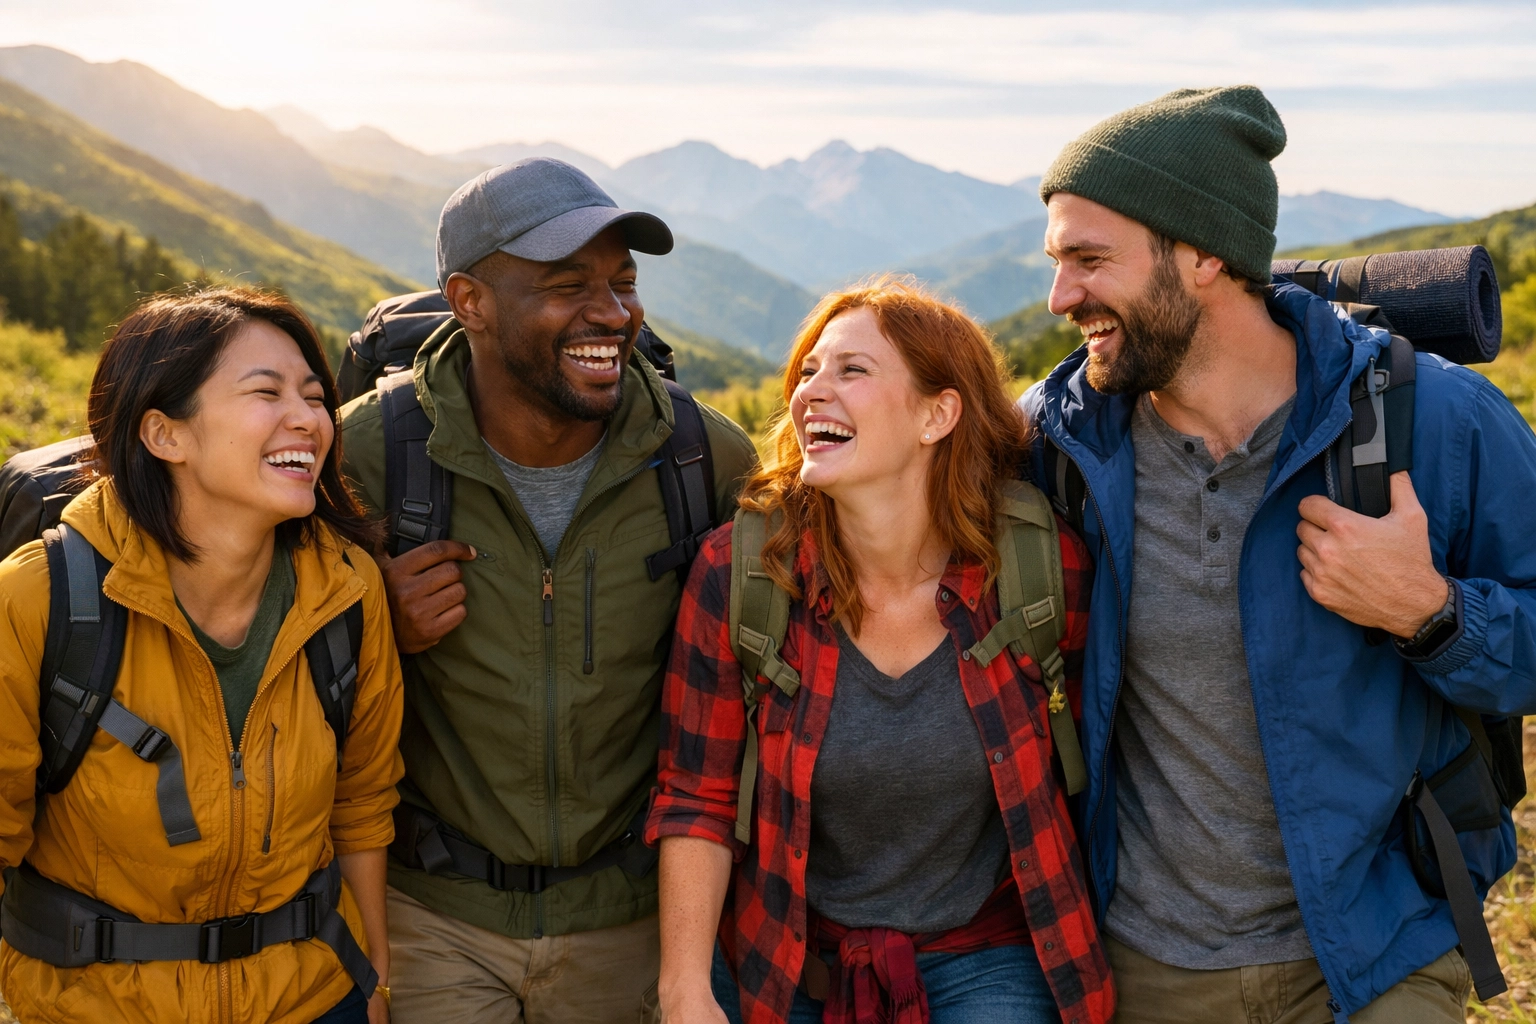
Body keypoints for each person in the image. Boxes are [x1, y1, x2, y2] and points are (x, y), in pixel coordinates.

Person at [1021, 85, 1536, 1023]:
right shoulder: (1059, 445)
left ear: (1206, 252)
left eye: (1091, 261)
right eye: (1057, 262)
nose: (1061, 298)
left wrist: (1434, 615)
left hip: (1378, 951)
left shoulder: (1438, 421)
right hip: (1141, 967)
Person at [337, 158, 757, 1022]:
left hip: (633, 927)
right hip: (435, 920)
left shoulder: (701, 459)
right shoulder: (367, 457)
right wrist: (372, 626)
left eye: (623, 282)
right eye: (569, 286)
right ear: (470, 301)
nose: (613, 313)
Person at [650, 279, 1116, 1024]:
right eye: (807, 371)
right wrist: (684, 992)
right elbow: (694, 796)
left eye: (851, 371)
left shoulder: (1037, 573)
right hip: (790, 957)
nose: (812, 393)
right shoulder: (742, 575)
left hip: (985, 954)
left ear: (938, 413)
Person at [0, 288, 404, 1024]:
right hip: (96, 1008)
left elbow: (362, 804)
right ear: (165, 434)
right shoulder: (38, 599)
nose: (308, 418)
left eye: (315, 397)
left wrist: (373, 982)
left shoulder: (347, 593)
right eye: (266, 392)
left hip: (309, 998)